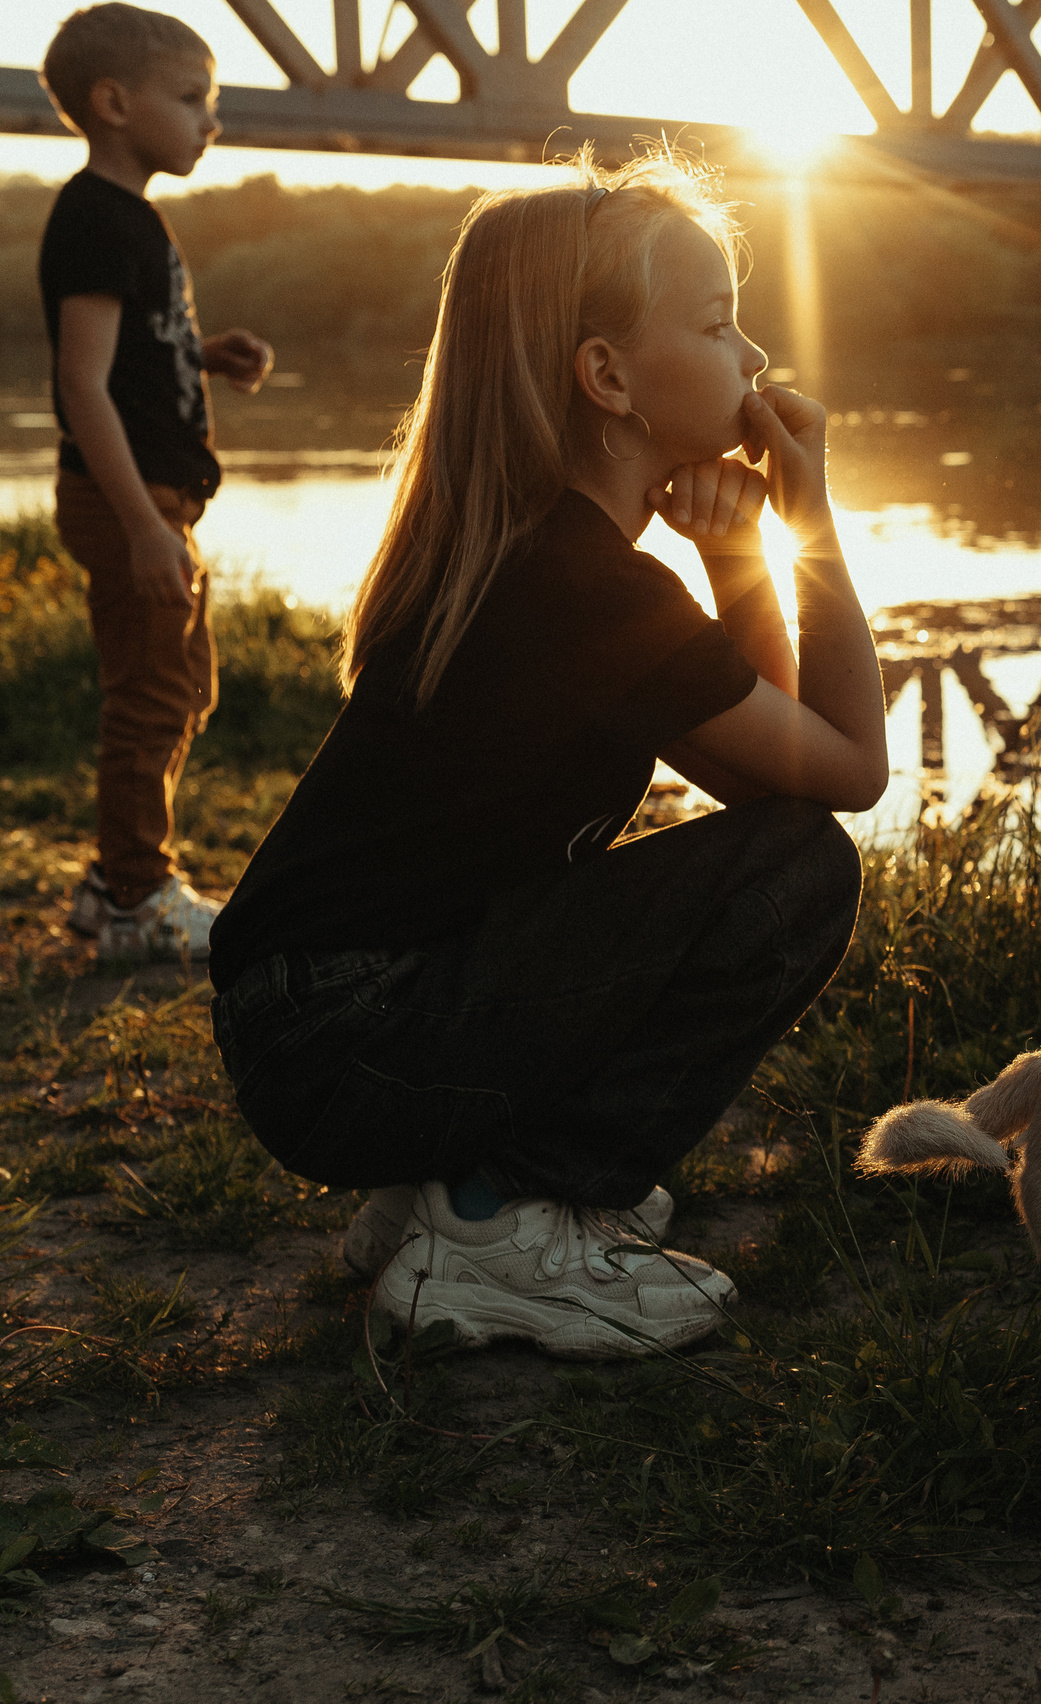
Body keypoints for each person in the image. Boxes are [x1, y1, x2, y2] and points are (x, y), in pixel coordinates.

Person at [205, 145, 890, 1360]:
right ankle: (504, 1215)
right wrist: (810, 519)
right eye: (722, 323)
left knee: (769, 847)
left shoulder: (533, 554)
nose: (756, 360)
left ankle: (445, 1184)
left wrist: (736, 563)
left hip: (316, 1033)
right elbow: (842, 780)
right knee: (804, 873)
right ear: (608, 376)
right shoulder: (584, 590)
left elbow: (766, 772)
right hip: (353, 1040)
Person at [38, 4, 274, 960]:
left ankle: (116, 882)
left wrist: (202, 353)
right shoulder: (97, 220)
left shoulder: (128, 219)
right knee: (150, 694)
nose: (210, 119)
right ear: (113, 103)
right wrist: (141, 527)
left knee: (181, 687)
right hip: (131, 501)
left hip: (156, 501)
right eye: (192, 98)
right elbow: (81, 384)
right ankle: (136, 893)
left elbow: (130, 351)